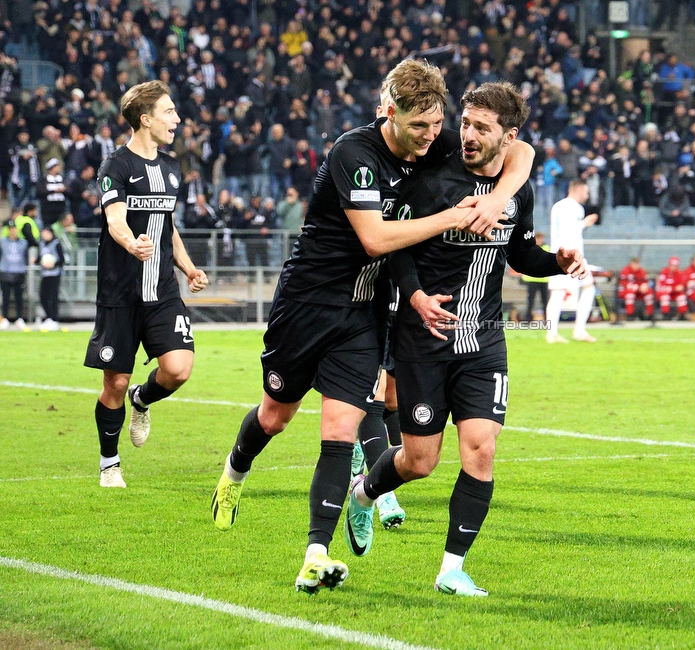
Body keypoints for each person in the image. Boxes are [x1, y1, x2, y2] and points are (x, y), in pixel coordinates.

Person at [208, 60, 536, 596]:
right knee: (275, 416)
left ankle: (316, 553)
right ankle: (235, 471)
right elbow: (377, 241)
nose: (434, 138)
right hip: (309, 305)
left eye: (439, 126)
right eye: (420, 128)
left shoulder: (439, 145)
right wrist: (455, 217)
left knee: (340, 431)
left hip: (365, 314)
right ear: (389, 113)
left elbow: (519, 151)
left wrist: (499, 198)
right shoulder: (353, 153)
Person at [348, 82, 584, 596]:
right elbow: (398, 248)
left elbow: (521, 253)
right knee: (420, 462)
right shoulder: (433, 177)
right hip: (424, 338)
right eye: (466, 123)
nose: (468, 134)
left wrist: (556, 263)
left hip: (484, 341)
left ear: (509, 136)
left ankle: (451, 569)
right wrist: (414, 297)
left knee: (481, 450)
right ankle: (365, 493)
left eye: (482, 127)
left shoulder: (516, 188)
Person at [85, 80, 210, 489]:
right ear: (146, 119)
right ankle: (109, 463)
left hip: (162, 292)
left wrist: (188, 268)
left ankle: (143, 399)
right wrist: (130, 243)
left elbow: (167, 227)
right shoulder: (116, 166)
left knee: (178, 369)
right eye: (169, 112)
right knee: (114, 383)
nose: (176, 119)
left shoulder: (173, 169)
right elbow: (115, 219)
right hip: (120, 294)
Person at [545, 178, 598, 343]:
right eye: (586, 191)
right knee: (587, 289)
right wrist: (584, 224)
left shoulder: (557, 206)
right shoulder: (576, 208)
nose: (587, 195)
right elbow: (571, 232)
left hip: (557, 254)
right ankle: (578, 331)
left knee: (559, 293)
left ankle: (553, 332)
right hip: (572, 257)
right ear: (579, 189)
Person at [0, 219, 28, 329]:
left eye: (14, 229)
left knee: (19, 297)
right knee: (6, 297)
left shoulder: (23, 243)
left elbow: (25, 257)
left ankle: (19, 318)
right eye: (11, 229)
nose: (13, 231)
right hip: (5, 272)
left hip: (19, 272)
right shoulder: (3, 242)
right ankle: (5, 318)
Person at [37, 226, 65, 329]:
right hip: (45, 274)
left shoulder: (56, 243)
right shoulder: (42, 244)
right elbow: (40, 257)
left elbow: (62, 259)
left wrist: (53, 264)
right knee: (43, 296)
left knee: (53, 297)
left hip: (54, 274)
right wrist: (36, 260)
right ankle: (48, 316)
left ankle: (54, 318)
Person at [521, 231, 550, 320]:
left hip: (543, 279)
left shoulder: (546, 248)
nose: (540, 240)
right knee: (531, 301)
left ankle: (547, 318)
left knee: (545, 301)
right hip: (532, 279)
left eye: (541, 239)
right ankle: (528, 318)